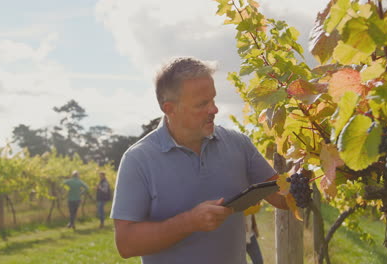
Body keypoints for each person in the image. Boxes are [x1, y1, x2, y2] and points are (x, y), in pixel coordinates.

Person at [111, 57, 288, 264]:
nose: (214, 109)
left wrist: (317, 161)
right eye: (202, 104)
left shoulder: (238, 144)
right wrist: (189, 222)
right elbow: (126, 244)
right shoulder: (138, 160)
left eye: (213, 99)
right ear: (169, 109)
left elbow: (283, 198)